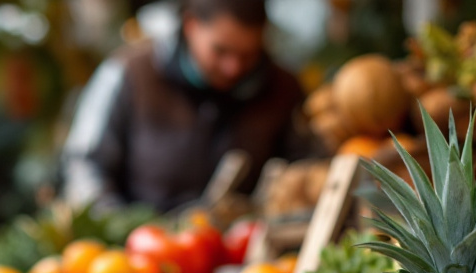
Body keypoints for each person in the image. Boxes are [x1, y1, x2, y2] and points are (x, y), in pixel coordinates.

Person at [63, 0, 306, 213]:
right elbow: (85, 163)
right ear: (191, 25)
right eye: (220, 51)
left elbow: (305, 164)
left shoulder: (283, 88)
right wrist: (117, 226)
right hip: (140, 248)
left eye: (247, 55)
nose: (233, 68)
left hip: (247, 251)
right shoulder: (129, 74)